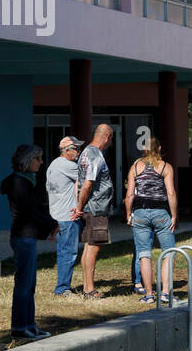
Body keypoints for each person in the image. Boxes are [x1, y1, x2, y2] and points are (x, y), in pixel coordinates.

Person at [0, 144, 57, 340]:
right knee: (24, 284)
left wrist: (50, 224)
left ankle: (29, 325)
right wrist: (51, 224)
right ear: (27, 160)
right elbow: (30, 212)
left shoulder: (27, 181)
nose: (41, 162)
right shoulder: (19, 183)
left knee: (30, 283)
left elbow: (37, 210)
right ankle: (19, 327)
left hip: (28, 236)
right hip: (23, 237)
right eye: (38, 158)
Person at [124, 135, 179, 304]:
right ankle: (164, 293)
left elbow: (130, 194)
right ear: (160, 148)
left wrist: (128, 213)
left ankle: (148, 294)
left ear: (144, 149)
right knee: (168, 252)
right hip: (161, 213)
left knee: (144, 254)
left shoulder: (135, 166)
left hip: (140, 213)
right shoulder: (165, 167)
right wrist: (174, 215)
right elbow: (170, 193)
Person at [72, 123, 114, 299]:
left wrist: (78, 204)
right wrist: (79, 208)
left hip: (89, 206)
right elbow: (87, 184)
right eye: (111, 139)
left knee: (88, 246)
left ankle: (87, 287)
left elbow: (78, 182)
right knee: (94, 247)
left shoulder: (84, 152)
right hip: (96, 208)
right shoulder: (95, 155)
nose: (110, 143)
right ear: (107, 137)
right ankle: (89, 289)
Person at [46, 135, 83, 296]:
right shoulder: (67, 165)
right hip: (68, 216)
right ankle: (62, 288)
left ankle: (63, 286)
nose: (79, 152)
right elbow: (89, 178)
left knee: (64, 251)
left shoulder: (55, 164)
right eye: (76, 149)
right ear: (67, 150)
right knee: (68, 252)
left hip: (59, 214)